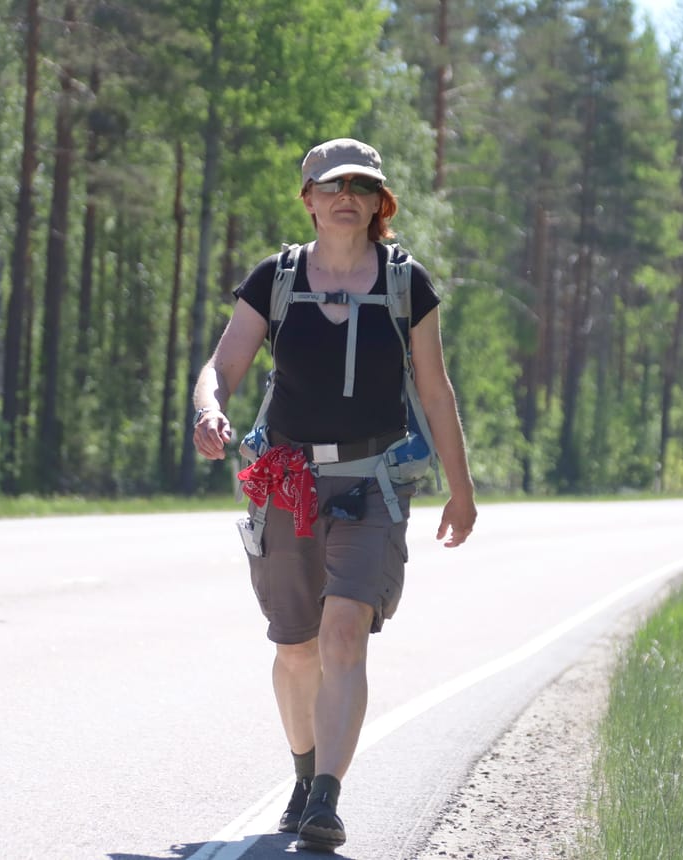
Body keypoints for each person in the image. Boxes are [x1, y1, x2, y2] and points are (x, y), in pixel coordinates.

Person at [191, 137, 477, 852]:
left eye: (361, 185)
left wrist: (462, 491)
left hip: (372, 480)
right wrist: (208, 410)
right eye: (331, 184)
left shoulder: (407, 284)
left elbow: (436, 392)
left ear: (380, 203)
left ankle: (327, 797)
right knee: (296, 647)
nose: (346, 195)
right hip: (285, 481)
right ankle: (302, 773)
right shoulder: (276, 278)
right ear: (310, 199)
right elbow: (221, 367)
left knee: (346, 630)